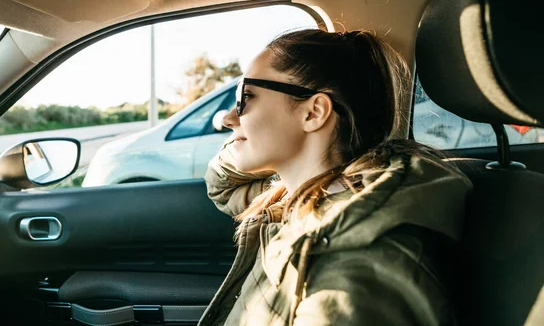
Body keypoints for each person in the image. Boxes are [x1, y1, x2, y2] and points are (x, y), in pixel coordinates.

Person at [197, 29, 472, 326]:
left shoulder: (354, 267)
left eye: (245, 97)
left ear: (314, 112)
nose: (226, 118)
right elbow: (221, 184)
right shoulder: (298, 193)